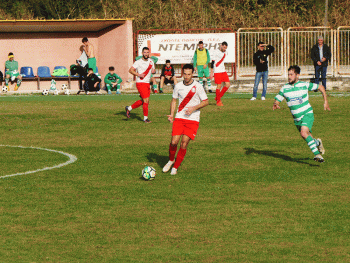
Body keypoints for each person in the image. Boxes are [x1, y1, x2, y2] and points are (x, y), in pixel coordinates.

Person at [273, 65, 331, 162]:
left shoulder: (304, 85)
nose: (289, 77)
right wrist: (276, 103)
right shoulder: (285, 88)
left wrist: (326, 101)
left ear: (297, 75)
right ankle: (317, 143)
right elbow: (278, 99)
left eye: (291, 74)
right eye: (288, 74)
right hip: (297, 119)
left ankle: (318, 155)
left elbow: (321, 87)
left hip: (307, 114)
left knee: (303, 133)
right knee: (307, 136)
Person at [162, 64, 209, 175]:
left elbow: (206, 101)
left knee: (183, 144)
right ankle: (171, 160)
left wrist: (194, 108)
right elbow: (174, 100)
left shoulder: (198, 86)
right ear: (182, 73)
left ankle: (176, 167)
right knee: (174, 142)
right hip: (179, 118)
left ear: (192, 74)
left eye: (189, 74)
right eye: (185, 74)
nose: (187, 77)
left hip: (193, 120)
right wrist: (171, 114)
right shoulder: (178, 86)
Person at [126, 47, 155, 123]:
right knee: (146, 100)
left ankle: (129, 108)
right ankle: (145, 118)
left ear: (149, 53)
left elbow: (153, 70)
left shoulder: (151, 61)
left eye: (147, 52)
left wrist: (153, 71)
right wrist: (138, 74)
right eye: (144, 52)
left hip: (147, 83)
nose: (146, 54)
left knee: (144, 101)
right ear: (142, 53)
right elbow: (130, 70)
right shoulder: (138, 62)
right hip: (140, 83)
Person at [210, 41, 230, 106]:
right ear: (221, 46)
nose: (224, 48)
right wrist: (211, 72)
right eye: (223, 47)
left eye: (225, 48)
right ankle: (218, 101)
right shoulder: (215, 51)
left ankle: (217, 97)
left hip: (223, 70)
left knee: (227, 84)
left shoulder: (225, 52)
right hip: (217, 70)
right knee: (219, 85)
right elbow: (212, 62)